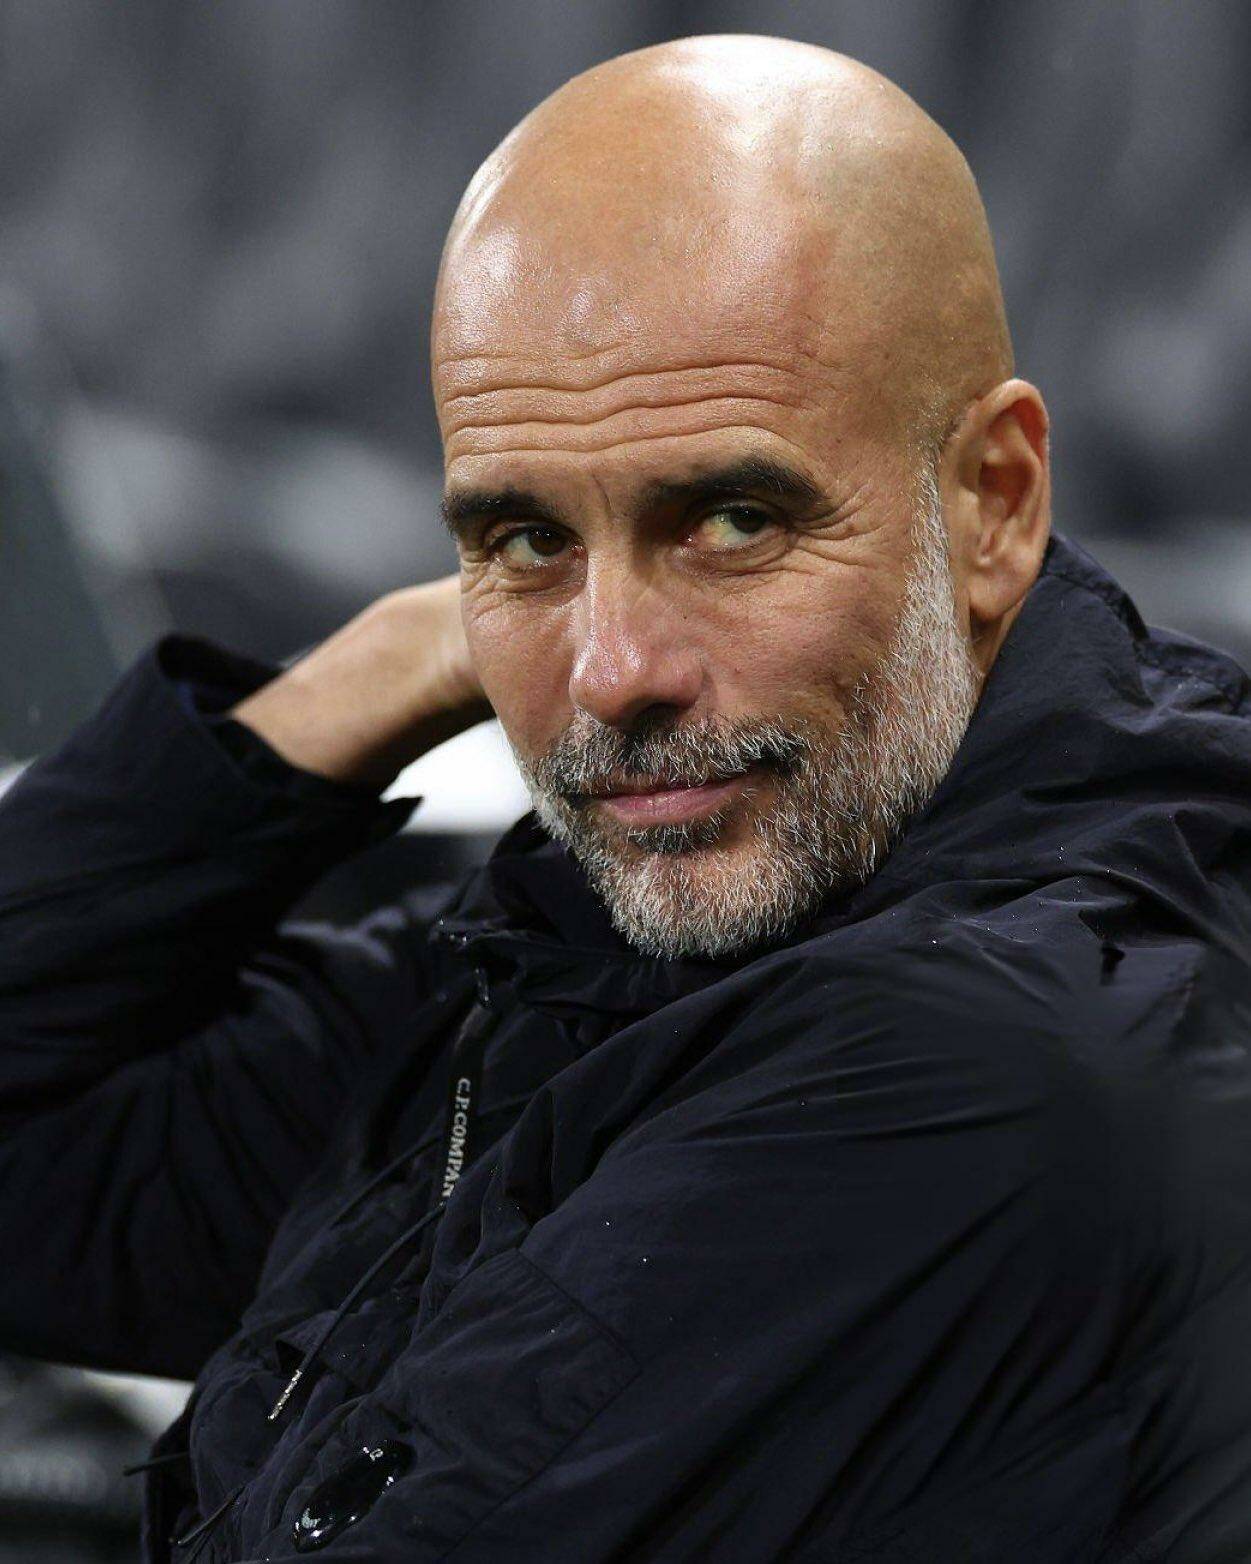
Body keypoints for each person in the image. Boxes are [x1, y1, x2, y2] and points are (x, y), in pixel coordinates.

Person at [2, 33, 1249, 1563]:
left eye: (732, 521)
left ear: (993, 502)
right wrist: (368, 676)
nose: (613, 672)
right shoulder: (654, 928)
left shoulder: (979, 1068)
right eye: (525, 539)